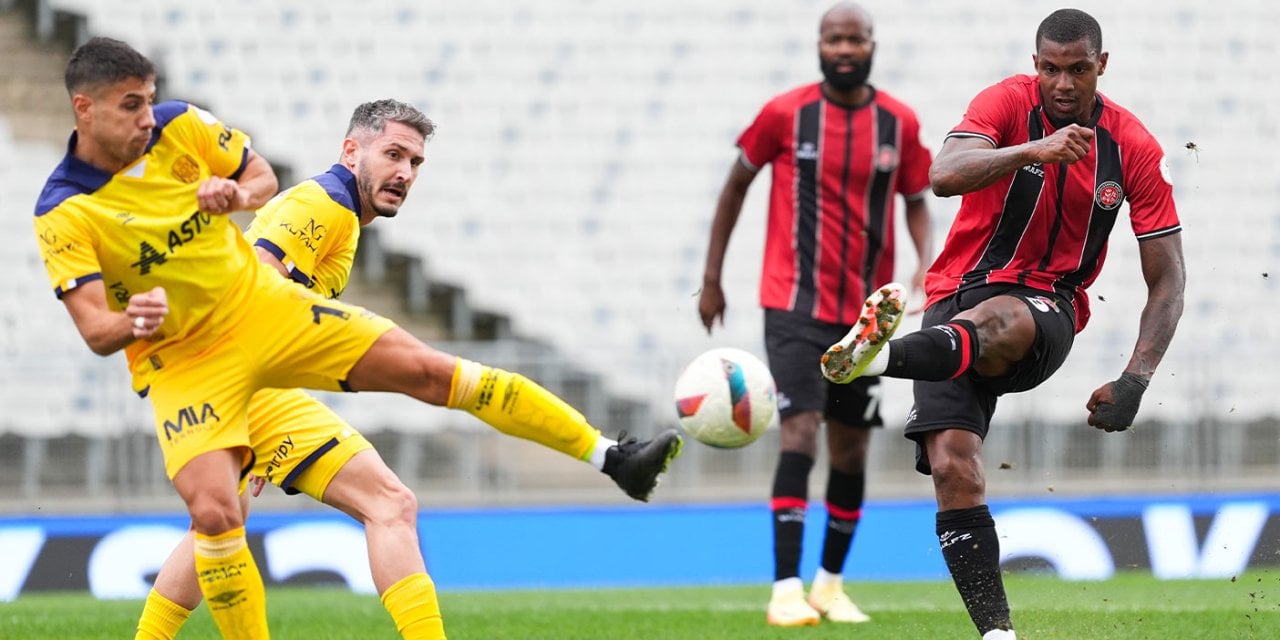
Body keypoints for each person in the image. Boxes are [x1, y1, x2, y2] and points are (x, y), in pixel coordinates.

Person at [35, 39, 682, 640]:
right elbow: (260, 270)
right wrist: (234, 377)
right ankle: (610, 457)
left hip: (254, 369)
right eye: (393, 155)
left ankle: (612, 457)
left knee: (231, 520)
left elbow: (257, 189)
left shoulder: (327, 207)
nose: (405, 172)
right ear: (352, 151)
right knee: (369, 499)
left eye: (415, 162)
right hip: (231, 368)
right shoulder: (322, 206)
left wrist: (233, 194)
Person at [820, 8, 1185, 639]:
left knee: (1001, 319)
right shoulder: (1005, 103)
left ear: (1102, 65)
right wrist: (1033, 150)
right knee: (953, 467)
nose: (1063, 84)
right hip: (952, 299)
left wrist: (1136, 378)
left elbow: (1169, 278)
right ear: (1035, 63)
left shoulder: (1133, 146)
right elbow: (942, 176)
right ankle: (997, 633)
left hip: (1047, 307)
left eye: (1078, 69)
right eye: (1051, 69)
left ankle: (875, 358)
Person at [697, 2, 933, 627]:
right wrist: (712, 279)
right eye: (834, 39)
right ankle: (784, 591)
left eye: (855, 39)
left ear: (872, 45)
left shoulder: (899, 123)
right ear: (819, 45)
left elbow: (916, 199)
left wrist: (924, 262)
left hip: (866, 318)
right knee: (800, 431)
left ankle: (829, 586)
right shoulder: (784, 113)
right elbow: (735, 187)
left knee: (851, 451)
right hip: (792, 304)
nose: (844, 49)